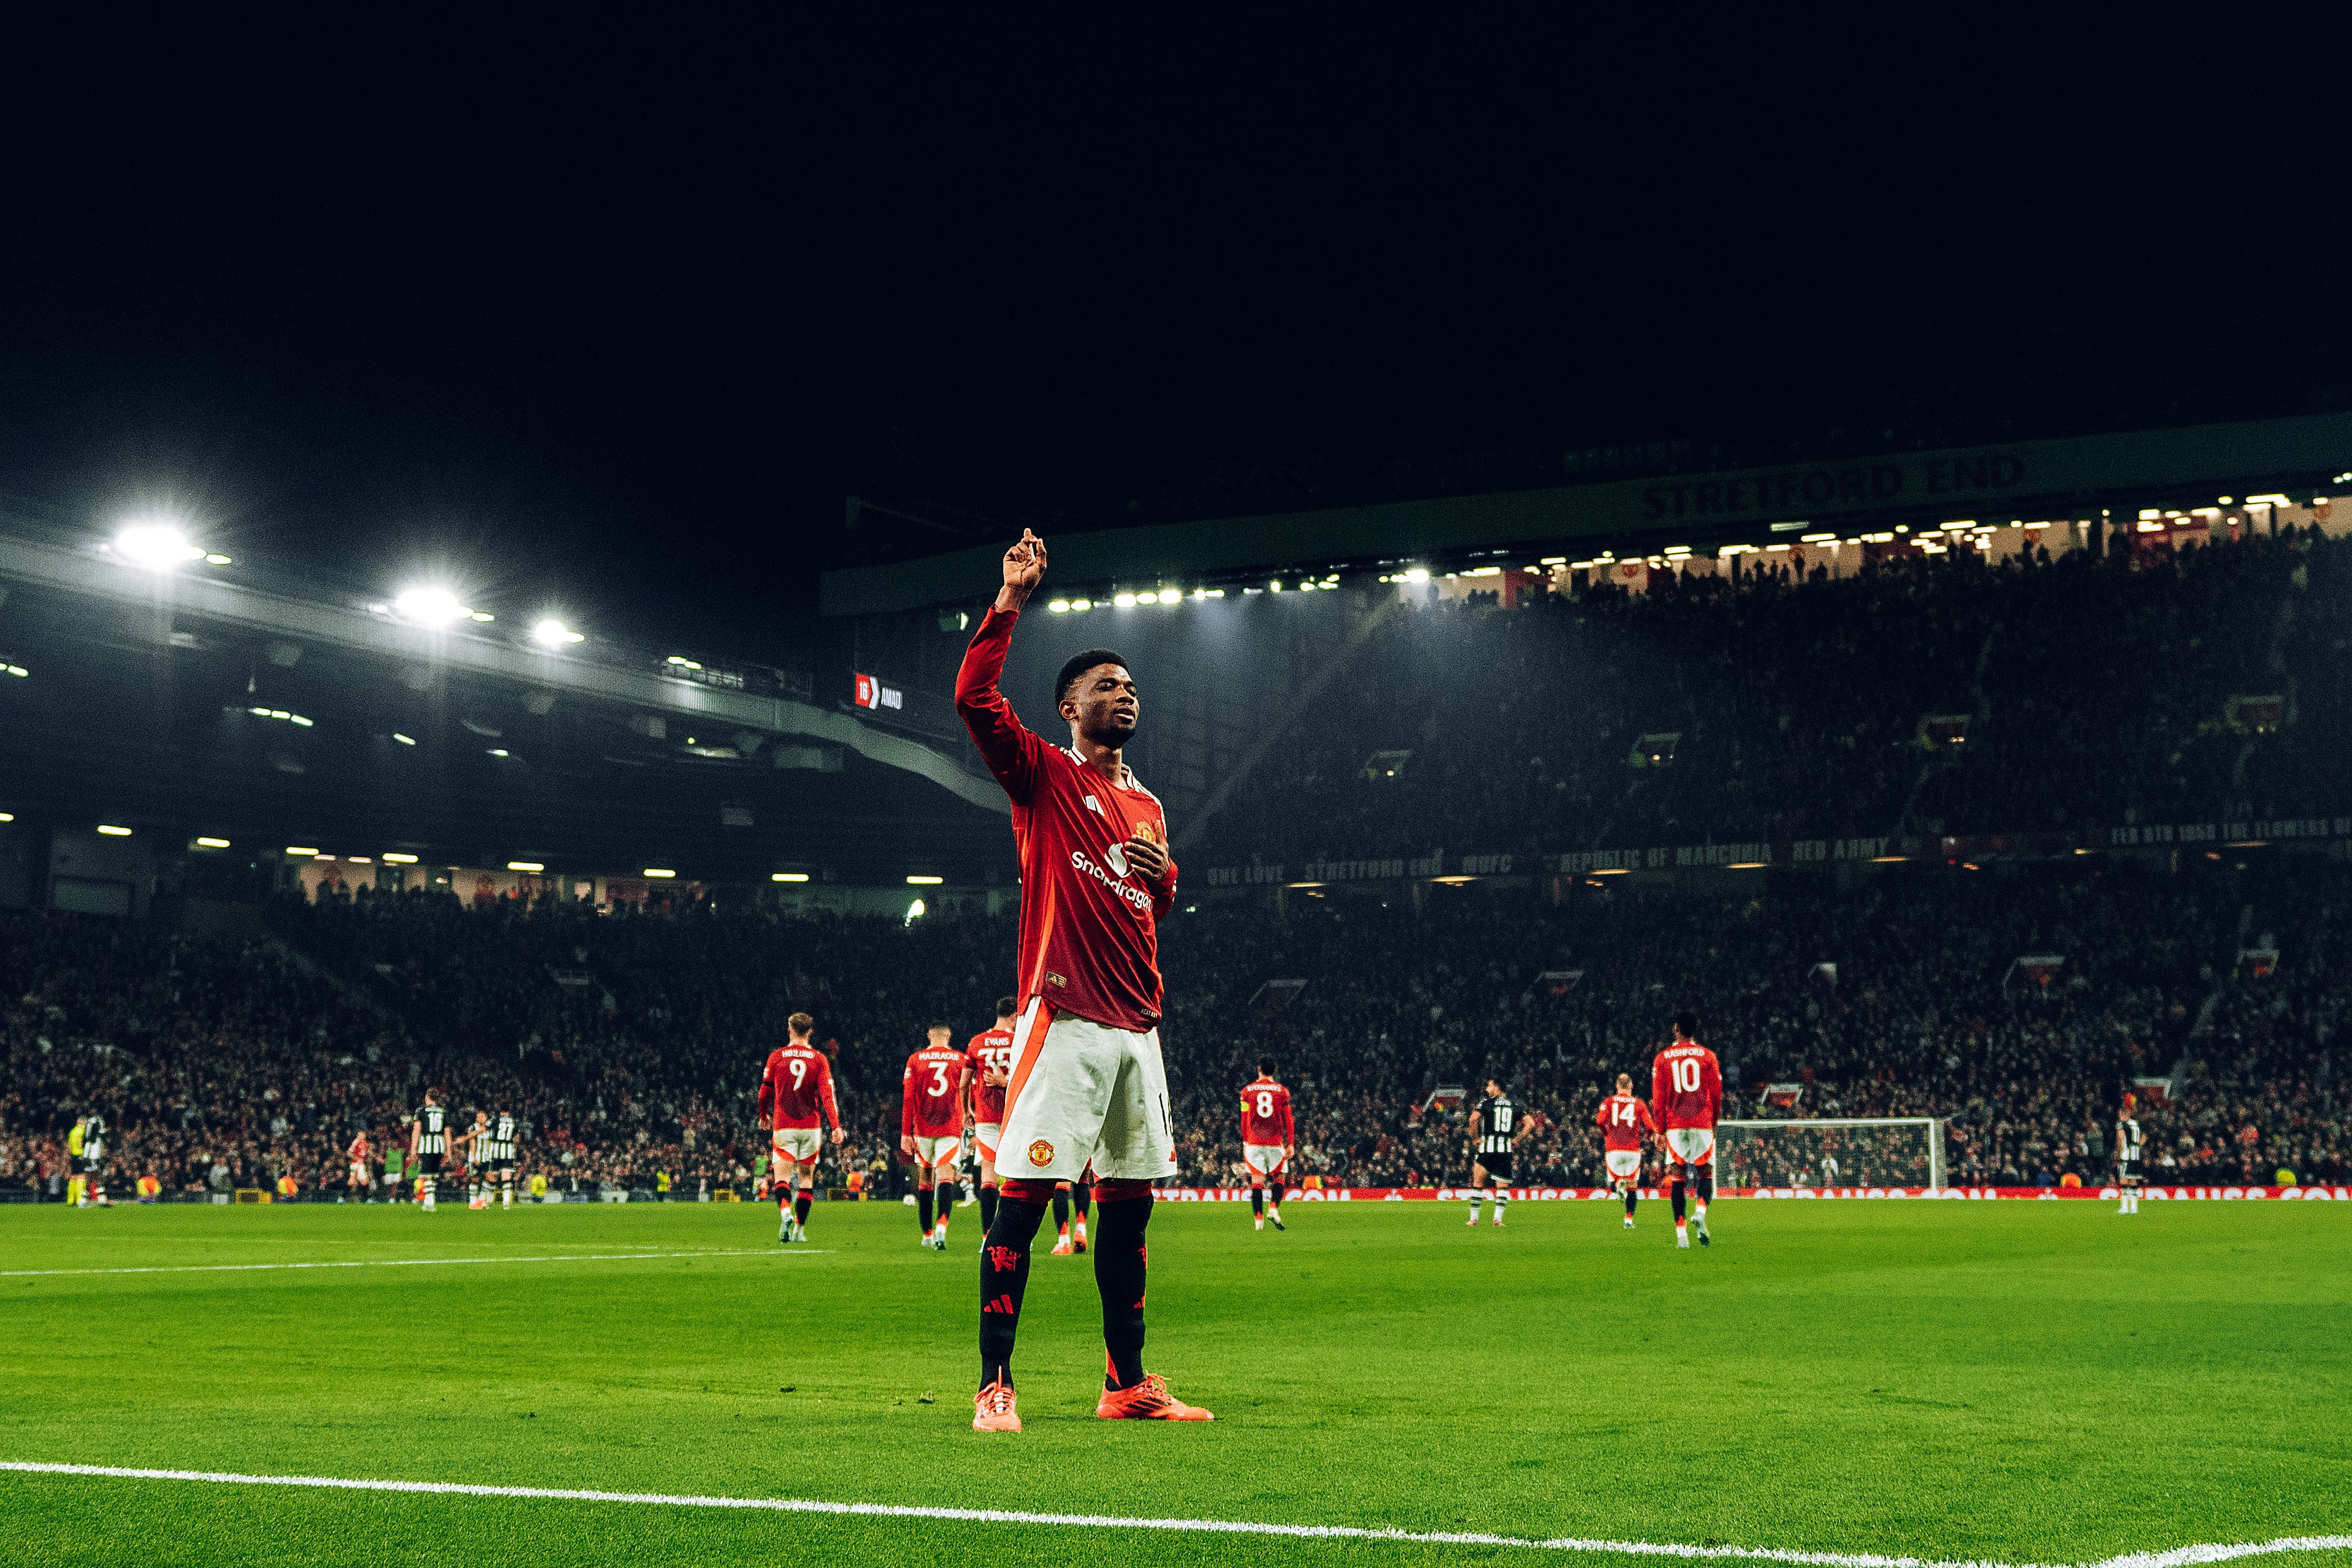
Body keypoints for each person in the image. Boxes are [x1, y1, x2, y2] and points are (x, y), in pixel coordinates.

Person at [954, 528, 1210, 1432]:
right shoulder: (1045, 775)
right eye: (1106, 685)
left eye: (1132, 685)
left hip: (1139, 1027)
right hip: (1064, 1017)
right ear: (1068, 706)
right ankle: (996, 1383)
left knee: (1129, 1219)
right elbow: (972, 697)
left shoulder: (1149, 802)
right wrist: (1011, 598)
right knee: (1018, 1210)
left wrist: (1163, 875)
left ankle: (1126, 1382)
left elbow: (1157, 901)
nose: (1125, 693)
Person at [758, 1012, 843, 1243]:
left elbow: (764, 1092)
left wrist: (763, 1115)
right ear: (810, 1032)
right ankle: (799, 1229)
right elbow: (828, 1095)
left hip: (784, 1125)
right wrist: (835, 1126)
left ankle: (786, 1211)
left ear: (789, 1029)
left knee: (782, 1177)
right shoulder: (819, 1059)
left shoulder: (776, 1057)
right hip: (811, 1127)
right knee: (806, 1179)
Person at [1652, 1013, 1723, 1250]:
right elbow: (1716, 1093)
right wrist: (1714, 1122)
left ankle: (1682, 1236)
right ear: (1695, 1030)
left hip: (1675, 1124)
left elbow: (1659, 1096)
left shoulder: (1662, 1059)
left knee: (1677, 1177)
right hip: (1702, 1122)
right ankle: (1700, 1213)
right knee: (1707, 1173)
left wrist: (1659, 1129)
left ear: (1676, 1029)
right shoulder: (1708, 1056)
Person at [901, 1024, 971, 1251]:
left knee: (925, 1178)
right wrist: (969, 1112)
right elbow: (969, 1090)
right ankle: (942, 1226)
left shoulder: (915, 1060)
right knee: (946, 1178)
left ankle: (927, 1234)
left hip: (923, 1128)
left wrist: (905, 1133)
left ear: (929, 1036)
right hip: (951, 1127)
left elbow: (908, 1098)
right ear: (949, 1036)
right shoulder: (961, 1059)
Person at [966, 998, 1019, 1243]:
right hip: (1015, 1115)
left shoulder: (977, 1042)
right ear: (1013, 1016)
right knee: (1014, 1176)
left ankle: (987, 1237)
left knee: (988, 1176)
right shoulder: (1018, 1041)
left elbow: (964, 1083)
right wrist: (1006, 1083)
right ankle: (1015, 1236)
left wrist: (967, 1110)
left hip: (985, 1117)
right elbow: (1030, 1076)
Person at [1595, 1072, 1657, 1229]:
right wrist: (1649, 1136)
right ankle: (1629, 1219)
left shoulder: (1608, 1102)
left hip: (1613, 1149)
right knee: (1633, 1187)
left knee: (1613, 1185)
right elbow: (1650, 1127)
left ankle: (1618, 1184)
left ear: (1617, 1086)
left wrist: (1606, 1133)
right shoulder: (1639, 1103)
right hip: (1632, 1150)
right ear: (1631, 1086)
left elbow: (1600, 1121)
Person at [1463, 1077, 1526, 1228]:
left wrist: (1476, 1139)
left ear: (1497, 1087)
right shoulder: (1514, 1105)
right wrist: (1518, 1138)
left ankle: (1473, 1220)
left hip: (1487, 1149)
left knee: (1478, 1183)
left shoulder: (1486, 1103)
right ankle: (1497, 1220)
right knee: (1502, 1186)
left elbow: (1473, 1120)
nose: (1487, 1089)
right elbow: (1530, 1123)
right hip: (1504, 1151)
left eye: (1489, 1086)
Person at [1240, 1059, 1294, 1232]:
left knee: (1257, 1181)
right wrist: (1290, 1143)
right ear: (1274, 1071)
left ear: (1259, 1069)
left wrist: (1245, 1141)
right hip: (1274, 1143)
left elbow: (1244, 1119)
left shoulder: (1246, 1092)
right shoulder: (1282, 1092)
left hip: (1254, 1143)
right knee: (1281, 1176)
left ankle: (1258, 1218)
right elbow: (1289, 1120)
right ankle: (1273, 1208)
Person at [410, 1089, 449, 1212]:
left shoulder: (421, 1111)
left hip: (426, 1145)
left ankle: (430, 1202)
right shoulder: (443, 1111)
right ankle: (428, 1203)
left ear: (427, 1097)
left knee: (427, 1175)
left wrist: (413, 1150)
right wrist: (449, 1151)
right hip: (439, 1145)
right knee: (433, 1175)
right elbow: (447, 1132)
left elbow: (417, 1130)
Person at [481, 1107, 521, 1209]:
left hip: (496, 1152)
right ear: (509, 1111)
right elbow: (517, 1139)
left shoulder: (496, 1119)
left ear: (501, 1111)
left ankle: (488, 1202)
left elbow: (485, 1128)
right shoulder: (514, 1121)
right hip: (508, 1152)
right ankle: (506, 1204)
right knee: (506, 1178)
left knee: (492, 1177)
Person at [2114, 1093, 2145, 1215]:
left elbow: (2120, 1138)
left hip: (2126, 1156)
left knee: (2123, 1181)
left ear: (2124, 1114)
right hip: (2136, 1156)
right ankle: (2134, 1208)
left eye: (2120, 1115)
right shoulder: (2136, 1123)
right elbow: (2145, 1137)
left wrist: (2118, 1152)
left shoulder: (2122, 1124)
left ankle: (2124, 1208)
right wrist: (2137, 1147)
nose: (2119, 1117)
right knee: (2133, 1182)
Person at [77, 1114, 111, 1209]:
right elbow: (101, 1132)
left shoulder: (90, 1121)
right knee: (96, 1173)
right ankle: (101, 1198)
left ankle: (85, 1199)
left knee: (91, 1174)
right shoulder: (98, 1119)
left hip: (88, 1152)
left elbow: (86, 1137)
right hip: (93, 1151)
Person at [463, 1111, 494, 1208]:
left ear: (486, 1118)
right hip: (476, 1157)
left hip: (487, 1157)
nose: (480, 1118)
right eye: (478, 1116)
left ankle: (481, 1199)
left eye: (482, 1116)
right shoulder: (473, 1128)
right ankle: (473, 1202)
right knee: (475, 1179)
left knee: (490, 1178)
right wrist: (474, 1157)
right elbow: (472, 1142)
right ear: (476, 1118)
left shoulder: (489, 1129)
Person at [347, 1129, 376, 1200]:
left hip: (361, 1165)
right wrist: (357, 1159)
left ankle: (342, 1197)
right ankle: (368, 1199)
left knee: (354, 1182)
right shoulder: (356, 1142)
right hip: (356, 1164)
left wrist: (376, 1157)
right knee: (362, 1181)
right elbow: (348, 1153)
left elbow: (368, 1153)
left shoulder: (365, 1144)